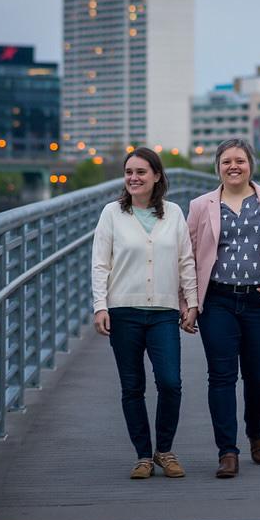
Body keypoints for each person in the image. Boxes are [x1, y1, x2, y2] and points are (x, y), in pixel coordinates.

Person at [182, 138, 260, 478]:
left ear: (250, 165)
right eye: (226, 161)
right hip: (217, 301)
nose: (233, 166)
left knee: (259, 377)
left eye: (240, 161)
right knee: (221, 376)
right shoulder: (201, 205)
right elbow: (187, 256)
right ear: (217, 167)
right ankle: (227, 451)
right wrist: (188, 302)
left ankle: (256, 432)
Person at [91, 147, 198, 479]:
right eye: (128, 173)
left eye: (140, 172)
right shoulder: (112, 213)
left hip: (164, 310)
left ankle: (164, 450)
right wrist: (100, 306)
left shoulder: (174, 213)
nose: (133, 178)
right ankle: (142, 455)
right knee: (132, 386)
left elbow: (185, 261)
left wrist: (191, 303)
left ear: (156, 176)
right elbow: (100, 264)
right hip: (123, 311)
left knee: (170, 382)